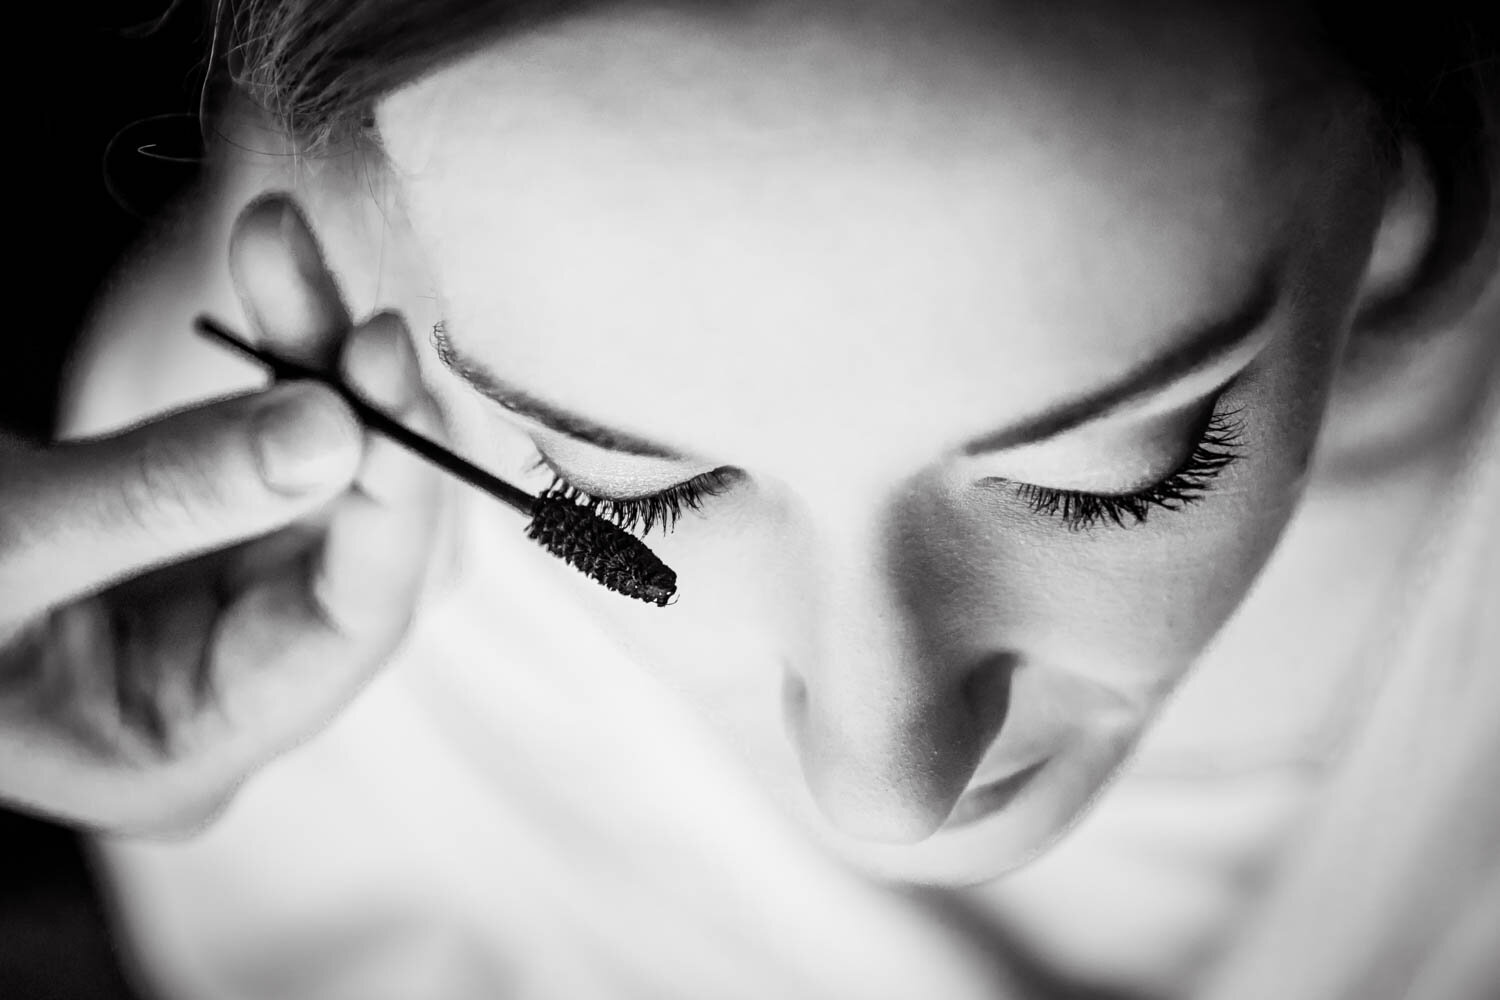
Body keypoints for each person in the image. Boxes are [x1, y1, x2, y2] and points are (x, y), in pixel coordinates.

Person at [9, 0, 1499, 997]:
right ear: (357, 215)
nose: (886, 787)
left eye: (1105, 480)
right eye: (622, 487)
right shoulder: (226, 584)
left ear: (1399, 179)